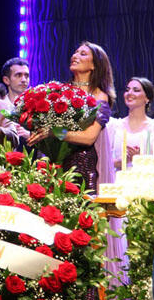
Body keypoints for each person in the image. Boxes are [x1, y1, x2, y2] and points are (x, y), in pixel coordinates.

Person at [27, 41, 115, 191]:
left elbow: (89, 137)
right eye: (75, 52)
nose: (75, 56)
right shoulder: (59, 92)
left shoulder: (99, 97)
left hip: (82, 166)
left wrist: (54, 132)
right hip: (55, 164)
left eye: (83, 54)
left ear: (94, 65)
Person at [110, 77, 154, 169]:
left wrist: (141, 159)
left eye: (136, 90)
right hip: (119, 177)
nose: (130, 93)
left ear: (147, 98)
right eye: (127, 90)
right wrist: (121, 161)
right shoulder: (113, 126)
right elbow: (103, 161)